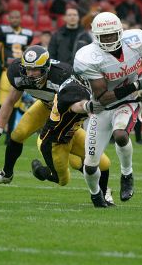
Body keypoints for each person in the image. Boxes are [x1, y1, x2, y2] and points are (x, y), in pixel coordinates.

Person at [73, 12, 142, 203]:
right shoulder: (89, 56)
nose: (109, 39)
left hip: (128, 100)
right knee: (91, 165)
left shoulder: (135, 40)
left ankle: (127, 174)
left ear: (120, 31)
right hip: (101, 107)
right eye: (104, 36)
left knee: (120, 134)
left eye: (112, 34)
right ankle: (96, 195)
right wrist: (138, 84)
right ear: (96, 36)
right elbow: (102, 97)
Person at [0, 45, 73, 188]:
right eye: (28, 69)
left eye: (35, 69)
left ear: (46, 68)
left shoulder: (62, 75)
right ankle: (7, 173)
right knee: (17, 134)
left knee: (75, 161)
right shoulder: (18, 73)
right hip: (44, 106)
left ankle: (101, 188)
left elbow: (79, 104)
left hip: (66, 114)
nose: (30, 73)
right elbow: (10, 101)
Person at [31, 74, 114, 207]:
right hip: (54, 142)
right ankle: (39, 171)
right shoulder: (74, 89)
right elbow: (78, 105)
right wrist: (91, 109)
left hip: (73, 133)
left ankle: (102, 198)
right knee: (62, 180)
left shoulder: (78, 83)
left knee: (104, 163)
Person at [0, 10, 34, 145]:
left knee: (15, 105)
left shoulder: (27, 34)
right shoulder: (1, 32)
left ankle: (9, 137)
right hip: (6, 71)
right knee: (2, 105)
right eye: (12, 17)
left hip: (20, 72)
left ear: (20, 18)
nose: (15, 19)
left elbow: (28, 54)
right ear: (8, 18)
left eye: (17, 17)